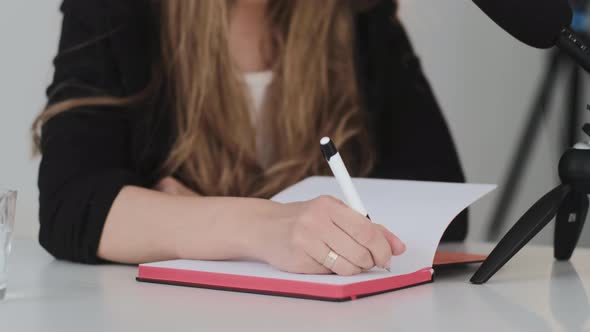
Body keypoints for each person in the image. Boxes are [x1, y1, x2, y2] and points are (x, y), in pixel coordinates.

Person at [33, 0, 467, 276]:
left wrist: (182, 219)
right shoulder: (115, 11)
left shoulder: (358, 15)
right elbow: (70, 205)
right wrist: (264, 230)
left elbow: (441, 200)